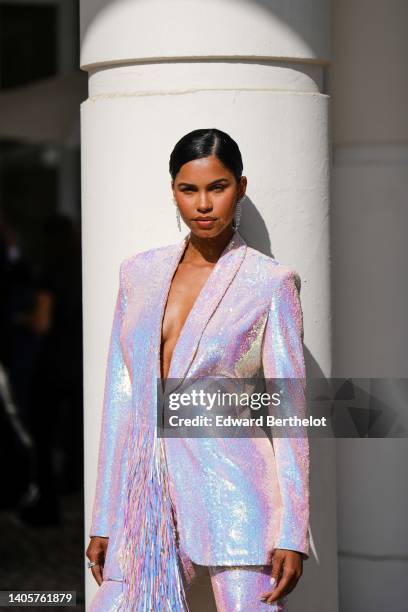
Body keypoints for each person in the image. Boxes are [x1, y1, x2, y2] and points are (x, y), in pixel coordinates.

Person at [86, 128, 310, 611]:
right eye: (189, 190)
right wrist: (104, 518)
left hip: (238, 494)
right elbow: (120, 402)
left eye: (218, 187)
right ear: (174, 192)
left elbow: (290, 411)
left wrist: (292, 529)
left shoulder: (270, 284)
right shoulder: (138, 274)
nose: (203, 204)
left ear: (240, 188)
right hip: (143, 498)